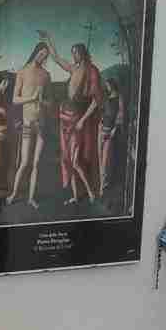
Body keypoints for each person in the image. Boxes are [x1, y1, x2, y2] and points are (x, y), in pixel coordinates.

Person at [43, 36, 104, 204]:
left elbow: (96, 100)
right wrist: (48, 41)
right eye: (72, 53)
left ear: (82, 53)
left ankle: (90, 193)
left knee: (75, 161)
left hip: (77, 118)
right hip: (65, 117)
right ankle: (75, 196)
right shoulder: (73, 68)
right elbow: (56, 59)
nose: (73, 56)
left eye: (75, 53)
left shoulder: (91, 70)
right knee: (68, 160)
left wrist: (82, 120)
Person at [6, 44, 51, 210]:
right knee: (24, 162)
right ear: (35, 52)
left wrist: (43, 101)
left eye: (46, 56)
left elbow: (50, 102)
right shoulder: (23, 72)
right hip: (27, 123)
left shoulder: (46, 75)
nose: (43, 57)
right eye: (41, 53)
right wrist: (31, 98)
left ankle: (31, 198)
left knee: (36, 163)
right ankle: (13, 194)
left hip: (41, 124)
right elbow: (14, 99)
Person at [98, 77, 125, 195]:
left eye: (108, 85)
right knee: (100, 158)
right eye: (106, 85)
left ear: (112, 85)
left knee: (105, 160)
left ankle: (103, 186)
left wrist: (115, 128)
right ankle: (102, 183)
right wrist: (100, 122)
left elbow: (120, 114)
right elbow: (104, 112)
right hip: (101, 129)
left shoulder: (119, 97)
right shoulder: (107, 98)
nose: (107, 87)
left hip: (110, 131)